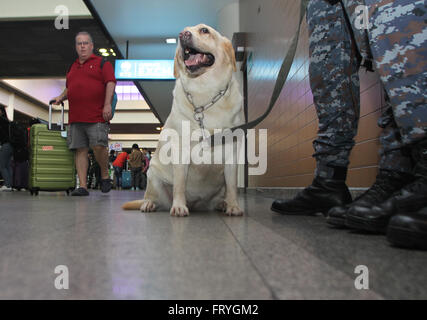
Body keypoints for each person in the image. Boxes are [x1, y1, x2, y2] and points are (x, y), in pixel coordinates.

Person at [51, 31, 116, 196]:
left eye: (85, 43)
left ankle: (105, 174)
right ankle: (83, 186)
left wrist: (107, 104)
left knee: (99, 146)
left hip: (96, 116)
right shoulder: (72, 67)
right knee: (80, 149)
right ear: (76, 47)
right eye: (79, 43)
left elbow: (110, 83)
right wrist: (60, 97)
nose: (82, 46)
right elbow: (70, 86)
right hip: (75, 117)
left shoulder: (102, 63)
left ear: (92, 46)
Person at [0, 104, 13, 192]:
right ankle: (9, 185)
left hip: (5, 145)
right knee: (8, 166)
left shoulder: (0, 120)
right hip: (11, 145)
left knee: (2, 166)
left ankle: (7, 185)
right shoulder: (8, 121)